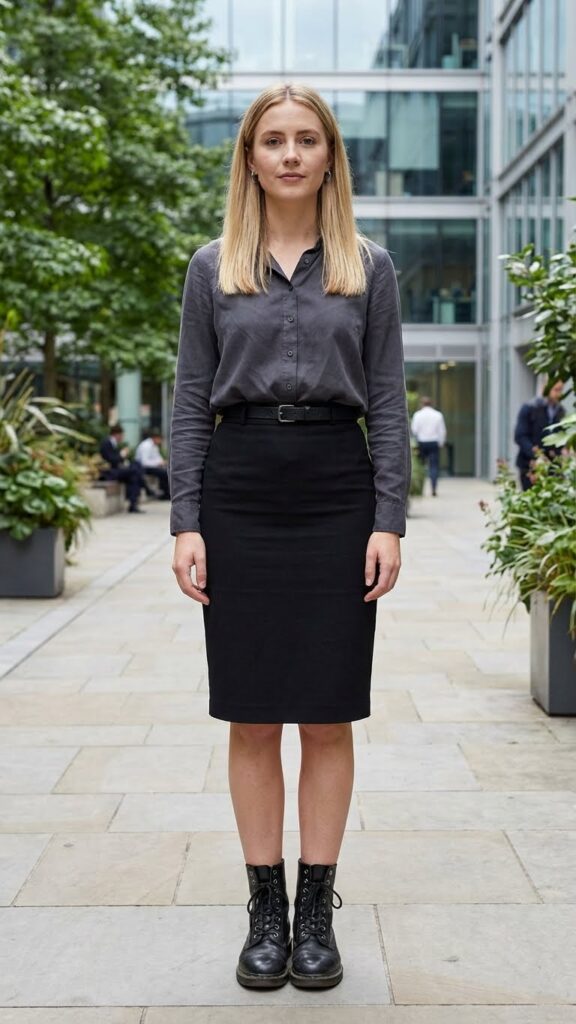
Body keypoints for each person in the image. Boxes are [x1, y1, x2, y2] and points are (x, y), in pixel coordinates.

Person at [170, 83, 411, 991]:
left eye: (307, 139)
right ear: (251, 158)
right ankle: (263, 910)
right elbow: (191, 400)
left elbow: (386, 400)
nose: (290, 154)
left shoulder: (369, 268)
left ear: (329, 157)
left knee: (328, 712)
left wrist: (389, 518)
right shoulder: (211, 267)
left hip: (335, 490)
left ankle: (318, 912)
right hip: (239, 490)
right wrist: (185, 519)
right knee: (251, 713)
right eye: (273, 140)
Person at [514, 379, 566, 490]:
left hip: (553, 467)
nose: (559, 394)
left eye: (561, 390)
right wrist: (536, 455)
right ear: (545, 389)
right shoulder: (529, 408)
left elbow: (561, 437)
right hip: (529, 465)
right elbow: (520, 436)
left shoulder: (561, 411)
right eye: (556, 390)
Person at [99, 424, 146, 513]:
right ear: (117, 434)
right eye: (122, 435)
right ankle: (144, 489)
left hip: (116, 470)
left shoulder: (114, 443)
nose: (122, 437)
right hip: (110, 472)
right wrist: (122, 455)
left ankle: (133, 504)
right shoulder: (107, 443)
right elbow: (112, 460)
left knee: (135, 472)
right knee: (135, 472)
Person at [411, 396, 446, 495]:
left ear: (421, 404)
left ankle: (420, 489)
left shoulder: (417, 415)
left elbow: (414, 430)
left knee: (420, 467)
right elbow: (442, 431)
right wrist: (441, 443)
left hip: (422, 443)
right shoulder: (438, 415)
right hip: (434, 442)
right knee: (434, 467)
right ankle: (433, 489)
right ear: (431, 404)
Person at [135, 430, 170, 499]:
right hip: (142, 468)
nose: (160, 442)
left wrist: (163, 462)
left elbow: (158, 458)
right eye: (160, 440)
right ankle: (165, 494)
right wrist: (158, 463)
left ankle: (165, 493)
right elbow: (144, 462)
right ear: (155, 438)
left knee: (167, 471)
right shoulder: (146, 446)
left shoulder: (154, 446)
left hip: (151, 467)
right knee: (164, 473)